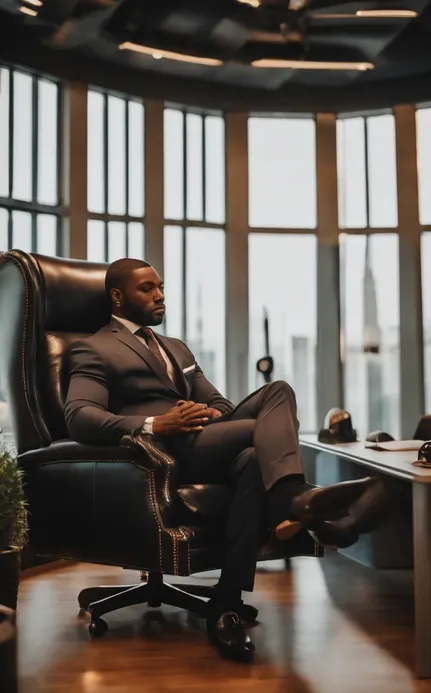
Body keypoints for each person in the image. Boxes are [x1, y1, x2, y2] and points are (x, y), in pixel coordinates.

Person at [65, 258, 390, 663]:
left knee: (264, 433)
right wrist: (157, 423)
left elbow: (219, 401)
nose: (160, 295)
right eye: (147, 289)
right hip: (163, 454)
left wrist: (212, 414)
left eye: (161, 286)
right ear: (117, 296)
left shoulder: (176, 348)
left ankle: (226, 604)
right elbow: (80, 417)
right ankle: (299, 504)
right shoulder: (93, 347)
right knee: (273, 405)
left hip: (207, 441)